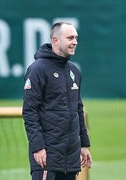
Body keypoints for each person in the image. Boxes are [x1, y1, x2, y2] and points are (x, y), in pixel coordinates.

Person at [22, 22, 92, 180]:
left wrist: (84, 145)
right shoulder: (37, 69)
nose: (75, 42)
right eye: (70, 38)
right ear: (55, 40)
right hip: (47, 156)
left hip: (71, 157)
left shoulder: (74, 70)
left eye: (76, 37)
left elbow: (78, 109)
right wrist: (38, 147)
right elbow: (29, 111)